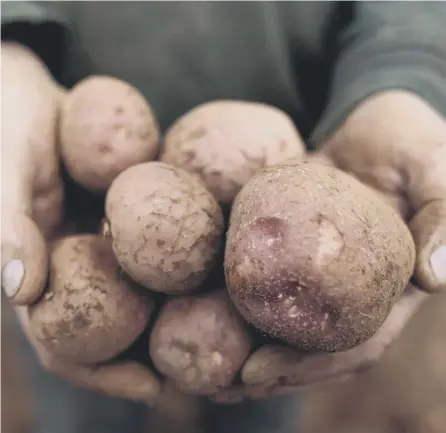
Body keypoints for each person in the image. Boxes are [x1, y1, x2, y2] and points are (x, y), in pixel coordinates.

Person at [2, 2, 446, 433]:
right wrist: (9, 54)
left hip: (322, 138)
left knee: (267, 382)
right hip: (67, 195)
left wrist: (403, 71)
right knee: (87, 399)